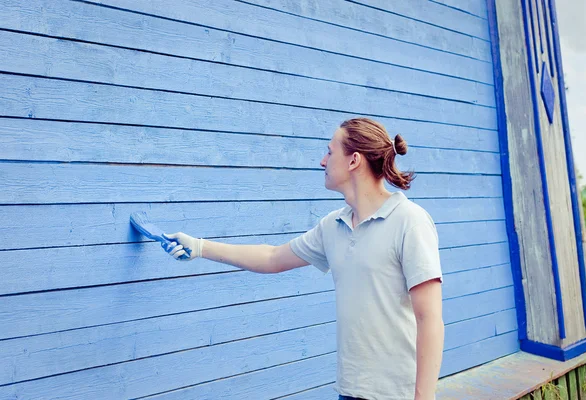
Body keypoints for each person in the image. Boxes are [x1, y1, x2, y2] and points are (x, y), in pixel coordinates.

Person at [162, 118, 444, 400]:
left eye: (330, 152)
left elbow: (429, 317)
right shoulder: (334, 225)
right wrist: (199, 247)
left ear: (353, 160)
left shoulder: (410, 221)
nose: (323, 161)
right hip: (351, 391)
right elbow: (272, 257)